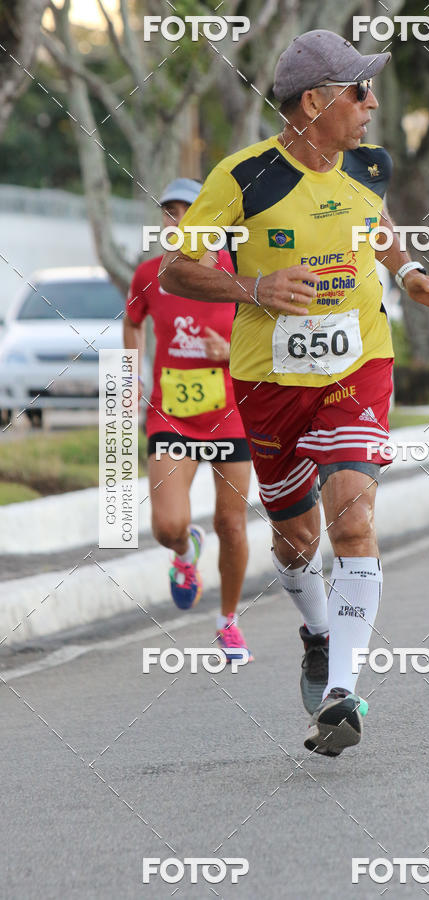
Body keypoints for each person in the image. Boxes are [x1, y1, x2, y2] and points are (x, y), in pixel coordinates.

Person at [159, 31, 429, 755]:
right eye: (360, 91)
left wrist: (412, 271)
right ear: (316, 102)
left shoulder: (368, 166)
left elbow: (376, 228)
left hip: (358, 366)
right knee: (297, 542)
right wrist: (253, 286)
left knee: (353, 524)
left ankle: (341, 693)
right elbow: (175, 272)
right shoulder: (243, 177)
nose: (371, 103)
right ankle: (319, 632)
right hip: (269, 383)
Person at [123, 178, 253, 660]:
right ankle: (185, 552)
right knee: (167, 525)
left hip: (230, 415)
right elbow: (133, 322)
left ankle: (228, 621)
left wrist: (232, 350)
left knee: (232, 523)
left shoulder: (237, 274)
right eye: (169, 212)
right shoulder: (148, 275)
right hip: (172, 416)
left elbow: (269, 333)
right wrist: (131, 376)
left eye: (188, 210)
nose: (177, 220)